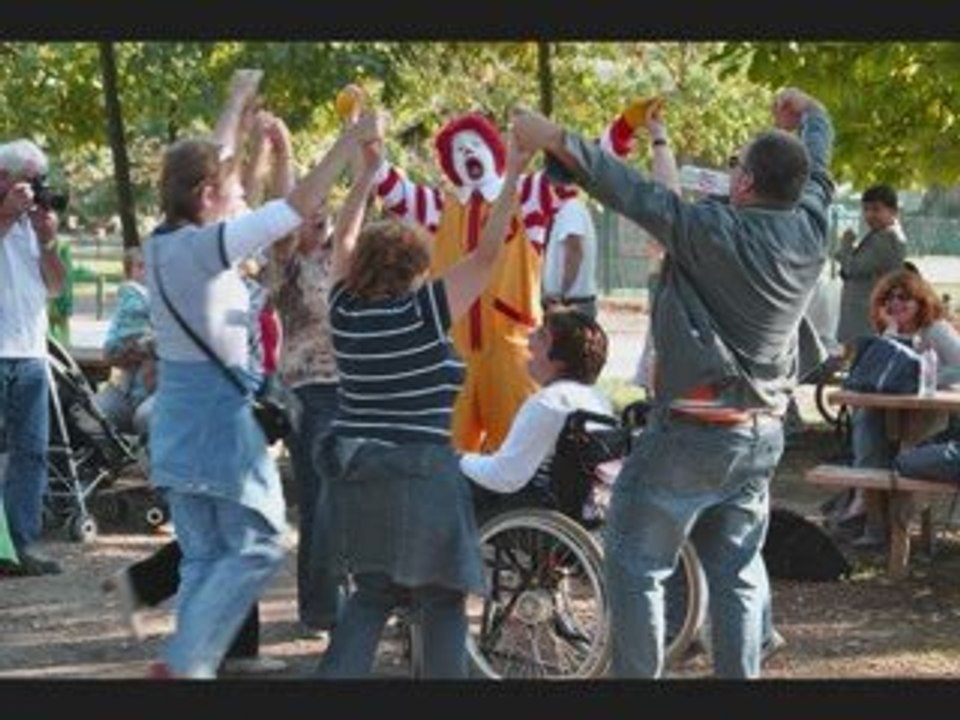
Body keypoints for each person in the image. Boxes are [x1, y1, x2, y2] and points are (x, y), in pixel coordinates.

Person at [511, 85, 834, 678]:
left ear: (744, 184)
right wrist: (811, 116)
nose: (728, 172)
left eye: (734, 164)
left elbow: (627, 189)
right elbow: (819, 164)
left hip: (689, 434)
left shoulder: (713, 233)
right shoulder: (812, 230)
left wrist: (554, 137)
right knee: (735, 573)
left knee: (635, 565)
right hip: (760, 434)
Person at [141, 68, 382, 679]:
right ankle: (188, 657)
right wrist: (350, 140)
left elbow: (210, 164)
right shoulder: (207, 247)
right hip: (217, 421)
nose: (236, 193)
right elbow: (298, 206)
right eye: (228, 187)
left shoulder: (162, 244)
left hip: (176, 417)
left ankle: (192, 667)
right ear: (206, 198)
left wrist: (236, 103)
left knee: (203, 556)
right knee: (256, 544)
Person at [313, 115, 533, 680]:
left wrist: (366, 176)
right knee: (441, 603)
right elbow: (486, 257)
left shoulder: (343, 312)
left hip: (360, 477)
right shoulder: (423, 312)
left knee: (369, 599)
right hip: (425, 477)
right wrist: (514, 174)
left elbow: (342, 237)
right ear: (417, 268)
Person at [367, 90, 648, 454]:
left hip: (514, 352)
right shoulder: (440, 208)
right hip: (455, 355)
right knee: (447, 456)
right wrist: (365, 140)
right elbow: (391, 188)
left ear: (492, 151)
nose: (467, 152)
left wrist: (624, 127)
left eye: (474, 144)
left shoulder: (526, 195)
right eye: (458, 149)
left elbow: (582, 168)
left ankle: (519, 513)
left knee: (519, 456)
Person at [251, 108, 345, 633]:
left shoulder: (341, 255)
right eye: (311, 212)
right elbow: (289, 209)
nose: (319, 218)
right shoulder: (288, 263)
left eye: (324, 210)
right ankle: (320, 609)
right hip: (310, 391)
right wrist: (284, 154)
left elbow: (357, 210)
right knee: (322, 501)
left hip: (356, 388)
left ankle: (363, 596)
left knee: (355, 499)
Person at [843, 269, 960, 548]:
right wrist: (891, 334)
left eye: (904, 298)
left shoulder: (936, 329)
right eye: (888, 299)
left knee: (901, 447)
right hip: (889, 414)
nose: (896, 304)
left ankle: (872, 509)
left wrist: (922, 378)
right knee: (866, 416)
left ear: (921, 301)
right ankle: (870, 511)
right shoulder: (888, 332)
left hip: (931, 417)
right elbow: (876, 376)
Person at [460, 309, 612, 512]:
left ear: (560, 359)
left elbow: (505, 477)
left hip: (531, 509)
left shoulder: (549, 403)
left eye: (542, 336)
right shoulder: (597, 400)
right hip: (580, 505)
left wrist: (458, 459)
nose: (530, 337)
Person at [0, 138, 68, 577]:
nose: (32, 190)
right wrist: (6, 215)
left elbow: (57, 288)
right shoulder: (8, 218)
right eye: (25, 180)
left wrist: (47, 241)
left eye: (36, 181)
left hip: (30, 353)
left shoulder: (34, 225)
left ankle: (20, 545)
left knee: (32, 453)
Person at [93, 247, 155, 438]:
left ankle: (145, 466)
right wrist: (135, 347)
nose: (147, 271)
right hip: (128, 385)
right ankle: (107, 465)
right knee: (90, 415)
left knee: (147, 417)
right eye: (141, 266)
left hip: (165, 387)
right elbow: (111, 351)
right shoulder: (132, 297)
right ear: (129, 272)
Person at [835, 184, 907, 350]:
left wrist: (845, 244)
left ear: (893, 211)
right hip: (866, 319)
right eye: (866, 209)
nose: (869, 215)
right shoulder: (884, 234)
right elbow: (861, 267)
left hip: (865, 322)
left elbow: (851, 269)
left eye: (876, 209)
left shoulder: (887, 237)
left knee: (861, 369)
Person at [541, 195, 599, 319]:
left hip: (571, 304)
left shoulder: (571, 208)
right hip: (568, 302)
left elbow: (575, 250)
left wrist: (561, 296)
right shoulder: (567, 208)